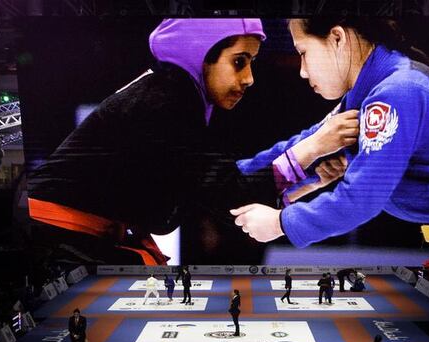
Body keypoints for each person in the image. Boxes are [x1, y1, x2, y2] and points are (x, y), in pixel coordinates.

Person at [25, 19, 272, 265]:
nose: (249, 78)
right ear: (201, 52)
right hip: (55, 236)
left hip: (69, 234)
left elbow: (161, 214)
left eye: (252, 62)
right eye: (239, 61)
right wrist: (309, 149)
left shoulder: (169, 91)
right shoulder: (168, 102)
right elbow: (231, 193)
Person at [231, 15, 429, 249]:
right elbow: (304, 142)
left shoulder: (397, 91)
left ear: (337, 38)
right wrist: (231, 178)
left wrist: (279, 223)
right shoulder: (371, 91)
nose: (303, 72)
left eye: (303, 53)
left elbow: (361, 199)